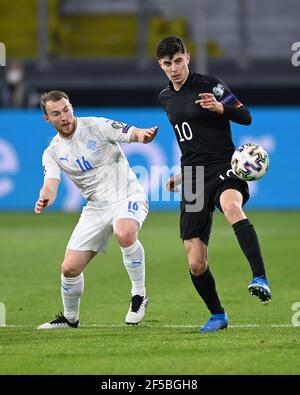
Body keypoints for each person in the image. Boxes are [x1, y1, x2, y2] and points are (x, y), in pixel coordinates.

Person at [156, 36, 271, 333]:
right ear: (161, 65)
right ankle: (218, 315)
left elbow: (244, 115)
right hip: (193, 177)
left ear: (188, 58)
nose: (174, 68)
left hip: (224, 166)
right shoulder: (165, 98)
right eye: (168, 63)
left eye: (178, 61)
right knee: (196, 262)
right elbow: (189, 143)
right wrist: (182, 175)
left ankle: (260, 277)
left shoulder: (211, 84)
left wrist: (222, 108)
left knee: (231, 206)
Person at [35, 90, 158, 329]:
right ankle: (70, 319)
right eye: (56, 114)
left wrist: (144, 135)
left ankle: (139, 295)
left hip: (128, 195)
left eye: (66, 110)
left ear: (72, 107)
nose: (64, 117)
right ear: (47, 119)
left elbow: (132, 133)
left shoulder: (96, 126)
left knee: (125, 232)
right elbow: (50, 183)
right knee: (69, 268)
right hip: (97, 207)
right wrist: (45, 197)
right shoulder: (52, 152)